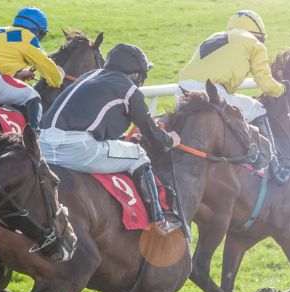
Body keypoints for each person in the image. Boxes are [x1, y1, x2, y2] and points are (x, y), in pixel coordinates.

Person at [39, 44, 183, 235]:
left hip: (42, 145)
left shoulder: (89, 76)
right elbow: (153, 135)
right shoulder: (129, 90)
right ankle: (159, 219)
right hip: (78, 149)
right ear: (136, 73)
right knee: (138, 155)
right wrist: (170, 140)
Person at [178, 10, 290, 181]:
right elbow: (265, 83)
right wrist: (283, 89)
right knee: (258, 108)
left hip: (182, 90)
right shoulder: (255, 44)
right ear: (258, 35)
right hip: (211, 92)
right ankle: (276, 168)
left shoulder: (215, 36)